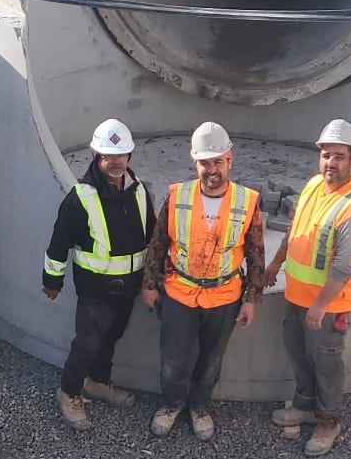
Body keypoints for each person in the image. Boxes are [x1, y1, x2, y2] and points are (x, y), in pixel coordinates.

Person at [140, 122, 264, 441]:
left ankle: (199, 406)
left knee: (211, 360)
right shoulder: (177, 195)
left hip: (225, 296)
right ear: (195, 162)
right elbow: (157, 242)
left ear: (229, 160)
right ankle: (171, 404)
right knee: (173, 359)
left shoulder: (248, 201)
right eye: (205, 162)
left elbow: (256, 255)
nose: (212, 169)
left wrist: (251, 299)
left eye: (217, 161)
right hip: (179, 292)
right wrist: (150, 283)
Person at [263, 119, 351, 458]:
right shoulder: (314, 186)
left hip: (329, 306)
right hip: (298, 297)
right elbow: (295, 232)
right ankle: (305, 404)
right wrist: (275, 263)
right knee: (298, 352)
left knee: (326, 361)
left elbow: (345, 266)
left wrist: (321, 305)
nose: (331, 163)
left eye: (339, 156)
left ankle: (328, 421)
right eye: (326, 155)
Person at [42, 118, 151, 432]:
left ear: (129, 156)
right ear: (95, 155)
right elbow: (58, 243)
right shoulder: (81, 198)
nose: (115, 162)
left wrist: (151, 277)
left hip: (128, 287)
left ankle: (98, 382)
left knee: (112, 337)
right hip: (95, 290)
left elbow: (151, 233)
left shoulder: (139, 191)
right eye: (107, 156)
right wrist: (52, 281)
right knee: (87, 343)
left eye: (120, 156)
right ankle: (69, 392)